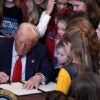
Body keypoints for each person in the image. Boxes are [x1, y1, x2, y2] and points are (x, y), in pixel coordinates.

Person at [0, 23, 55, 90]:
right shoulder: (2, 45)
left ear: (34, 44)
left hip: (27, 91)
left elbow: (49, 69)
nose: (22, 47)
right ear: (15, 36)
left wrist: (39, 77)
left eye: (28, 45)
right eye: (20, 42)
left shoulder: (40, 50)